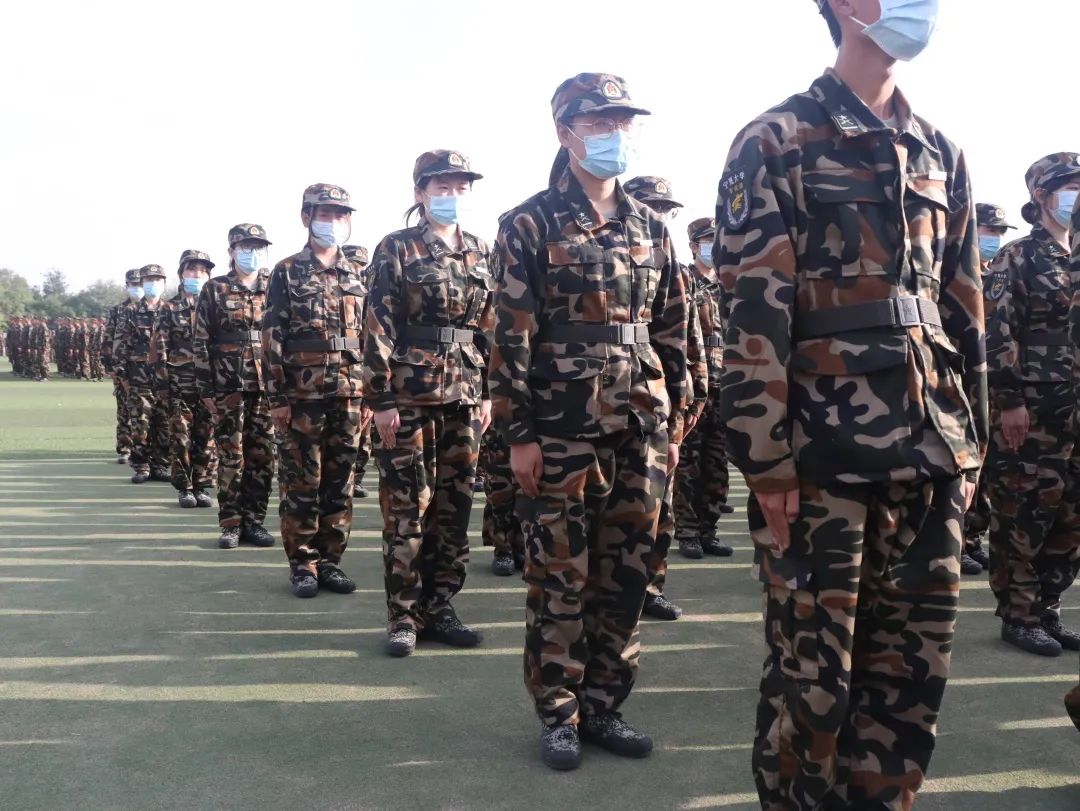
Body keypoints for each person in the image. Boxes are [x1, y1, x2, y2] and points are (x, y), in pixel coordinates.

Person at [715, 2, 986, 807]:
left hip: (931, 449)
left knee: (910, 679)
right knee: (815, 683)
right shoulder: (776, 140)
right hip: (822, 456)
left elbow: (964, 307)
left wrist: (971, 443)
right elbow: (753, 311)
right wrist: (766, 461)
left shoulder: (939, 149)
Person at [489, 73, 687, 770]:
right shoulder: (530, 222)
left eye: (623, 122)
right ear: (565, 132)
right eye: (600, 122)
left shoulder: (651, 225)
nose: (615, 134)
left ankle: (604, 702)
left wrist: (675, 420)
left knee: (628, 574)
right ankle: (560, 712)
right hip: (562, 428)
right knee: (560, 575)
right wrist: (519, 434)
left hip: (642, 424)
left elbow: (673, 327)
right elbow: (509, 336)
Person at [365, 150, 493, 656]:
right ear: (420, 192)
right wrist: (380, 398)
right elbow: (377, 324)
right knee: (407, 508)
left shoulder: (480, 250)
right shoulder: (397, 247)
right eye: (442, 186)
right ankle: (403, 615)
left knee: (454, 507)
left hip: (465, 395)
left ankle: (440, 606)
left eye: (460, 187)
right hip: (409, 394)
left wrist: (488, 392)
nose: (452, 195)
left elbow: (489, 326)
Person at [986, 153, 1080, 656]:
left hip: (1076, 410)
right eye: (1071, 186)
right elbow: (999, 332)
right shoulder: (1018, 256)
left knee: (1070, 515)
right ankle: (1019, 616)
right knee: (1024, 510)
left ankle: (1048, 609)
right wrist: (1009, 401)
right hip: (1035, 409)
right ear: (1042, 197)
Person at [263, 185, 370, 597]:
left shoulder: (359, 272)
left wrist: (371, 393)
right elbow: (272, 336)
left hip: (349, 392)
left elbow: (373, 336)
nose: (334, 221)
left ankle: (330, 561)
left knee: (340, 482)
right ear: (306, 217)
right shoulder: (288, 271)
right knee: (302, 481)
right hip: (301, 395)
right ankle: (303, 563)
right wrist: (277, 398)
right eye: (326, 214)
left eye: (341, 215)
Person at [624, 176, 706, 621]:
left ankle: (650, 587)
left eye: (666, 208)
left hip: (662, 405)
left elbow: (686, 339)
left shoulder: (674, 266)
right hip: (620, 402)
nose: (659, 215)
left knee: (661, 506)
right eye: (651, 205)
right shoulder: (622, 262)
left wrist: (693, 397)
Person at [193, 225, 277, 549]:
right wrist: (205, 389)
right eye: (245, 247)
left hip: (267, 386)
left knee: (263, 456)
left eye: (258, 247)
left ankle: (255, 522)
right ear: (231, 251)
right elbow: (201, 340)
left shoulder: (276, 285)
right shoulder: (215, 289)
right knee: (231, 456)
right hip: (228, 385)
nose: (252, 253)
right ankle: (231, 523)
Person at [959, 203, 1017, 575]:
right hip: (966, 382)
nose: (994, 238)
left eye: (998, 232)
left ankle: (973, 538)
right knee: (967, 465)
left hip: (996, 383)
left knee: (990, 468)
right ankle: (956, 541)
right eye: (989, 231)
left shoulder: (998, 273)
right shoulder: (957, 274)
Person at [674, 216, 734, 560]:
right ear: (694, 246)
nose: (716, 246)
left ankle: (709, 530)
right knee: (688, 464)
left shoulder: (729, 284)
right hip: (694, 386)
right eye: (709, 240)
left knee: (717, 464)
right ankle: (687, 532)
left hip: (725, 384)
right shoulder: (683, 280)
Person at [154, 250, 218, 509]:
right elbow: (160, 347)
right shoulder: (169, 308)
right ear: (182, 274)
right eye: (192, 270)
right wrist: (162, 384)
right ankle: (185, 487)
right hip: (179, 383)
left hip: (210, 385)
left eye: (203, 271)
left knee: (207, 436)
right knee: (181, 438)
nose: (197, 275)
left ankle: (202, 485)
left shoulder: (216, 307)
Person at [115, 264, 172, 483]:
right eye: (149, 280)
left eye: (158, 280)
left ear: (164, 283)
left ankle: (161, 465)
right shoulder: (130, 312)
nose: (153, 284)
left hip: (165, 377)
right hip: (138, 377)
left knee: (164, 423)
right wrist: (123, 378)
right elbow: (120, 346)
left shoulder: (171, 310)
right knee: (140, 424)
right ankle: (141, 466)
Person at [344, 243, 374, 499]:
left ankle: (358, 477)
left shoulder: (370, 296)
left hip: (364, 375)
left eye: (363, 266)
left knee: (364, 435)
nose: (359, 270)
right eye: (354, 264)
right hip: (341, 377)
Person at [103, 270, 143, 464]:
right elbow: (108, 340)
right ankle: (125, 448)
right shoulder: (117, 311)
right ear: (127, 286)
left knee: (149, 411)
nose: (138, 287)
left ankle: (146, 449)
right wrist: (110, 367)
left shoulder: (158, 308)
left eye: (140, 283)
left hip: (147, 369)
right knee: (125, 410)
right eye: (133, 284)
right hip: (122, 368)